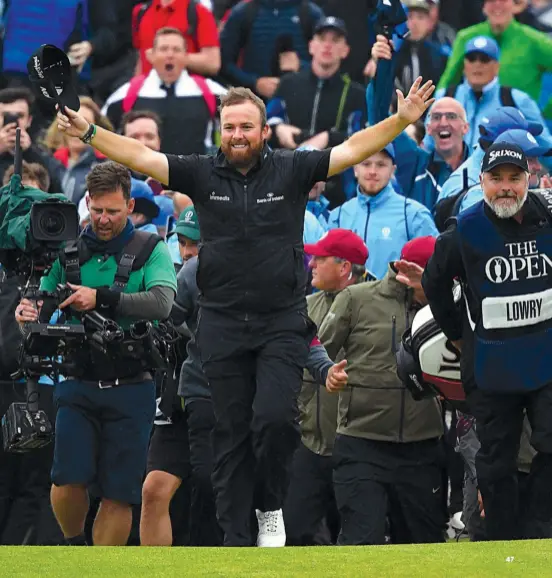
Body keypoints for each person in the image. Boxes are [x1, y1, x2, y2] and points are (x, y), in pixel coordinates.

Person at [55, 76, 435, 547]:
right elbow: (141, 156)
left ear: (263, 131)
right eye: (230, 126)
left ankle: (269, 505)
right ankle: (237, 539)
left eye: (247, 126)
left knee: (274, 420)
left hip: (280, 320)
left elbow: (352, 149)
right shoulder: (200, 172)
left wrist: (400, 120)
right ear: (220, 129)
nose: (237, 134)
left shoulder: (292, 169)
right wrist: (90, 132)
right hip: (221, 320)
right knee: (229, 433)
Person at [15, 162, 177, 546]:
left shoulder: (150, 249)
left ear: (130, 204)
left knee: (119, 493)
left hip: (133, 385)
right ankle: (75, 547)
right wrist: (28, 314)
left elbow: (162, 303)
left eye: (113, 211)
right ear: (87, 201)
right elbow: (40, 302)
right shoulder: (66, 249)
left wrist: (100, 298)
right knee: (66, 476)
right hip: (77, 380)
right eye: (98, 209)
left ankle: (101, 568)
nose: (103, 219)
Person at [422, 142, 552, 540]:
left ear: (528, 180)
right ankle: (502, 541)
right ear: (482, 182)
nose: (506, 188)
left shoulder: (548, 217)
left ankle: (542, 532)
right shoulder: (466, 228)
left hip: (546, 359)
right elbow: (433, 282)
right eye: (496, 179)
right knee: (495, 462)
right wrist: (457, 334)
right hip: (491, 365)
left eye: (514, 179)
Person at [318, 236, 446, 545]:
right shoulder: (355, 298)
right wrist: (327, 371)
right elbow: (318, 351)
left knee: (424, 547)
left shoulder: (449, 306)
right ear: (405, 272)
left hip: (423, 445)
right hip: (362, 442)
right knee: (362, 543)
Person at [284, 228, 368, 546]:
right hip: (308, 441)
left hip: (357, 442)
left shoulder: (374, 304)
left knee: (354, 537)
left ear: (344, 266)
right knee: (295, 533)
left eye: (319, 259)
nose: (311, 265)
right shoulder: (303, 305)